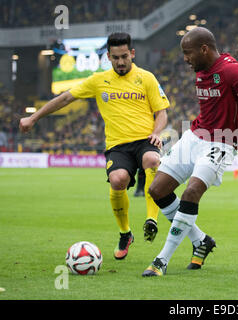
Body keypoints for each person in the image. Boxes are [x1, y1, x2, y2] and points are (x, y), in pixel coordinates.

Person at [142, 27, 238, 277]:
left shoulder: (229, 69)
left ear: (204, 49)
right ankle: (201, 241)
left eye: (188, 53)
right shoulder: (202, 69)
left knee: (192, 191)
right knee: (156, 190)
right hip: (195, 135)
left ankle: (161, 260)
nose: (185, 59)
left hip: (221, 142)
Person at [19, 32, 169, 259]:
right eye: (116, 57)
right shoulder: (98, 80)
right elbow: (65, 98)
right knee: (118, 181)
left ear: (132, 54)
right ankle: (125, 232)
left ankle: (151, 219)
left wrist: (157, 133)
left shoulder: (146, 78)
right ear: (108, 56)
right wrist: (33, 118)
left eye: (125, 56)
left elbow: (162, 113)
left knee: (152, 160)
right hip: (118, 145)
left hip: (145, 140)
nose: (121, 62)